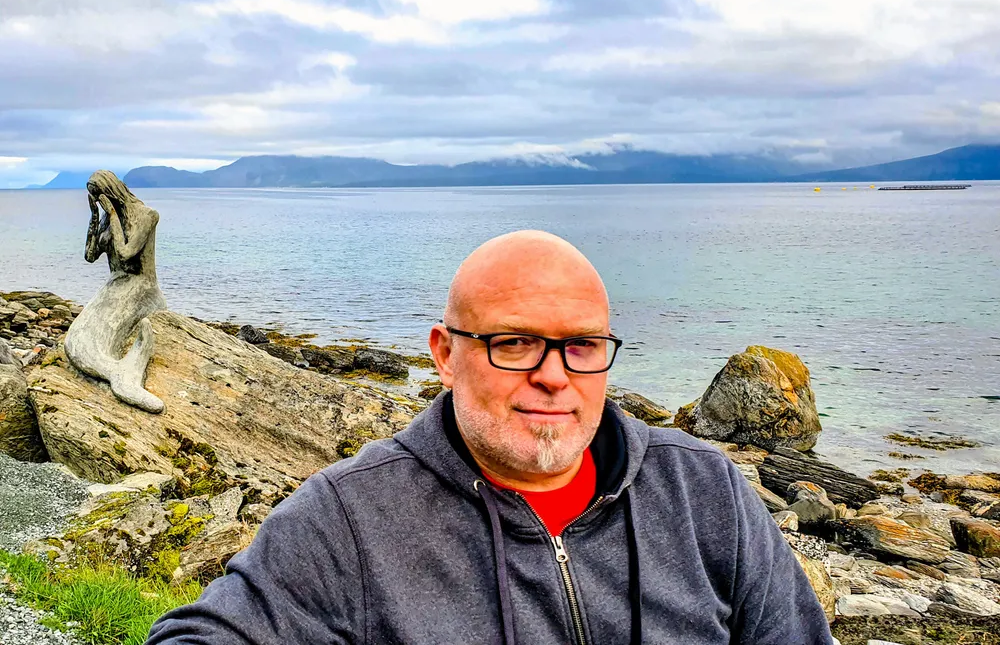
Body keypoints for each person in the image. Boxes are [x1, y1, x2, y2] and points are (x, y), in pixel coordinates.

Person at [146, 230, 834, 644]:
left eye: (581, 345)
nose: (554, 376)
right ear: (445, 355)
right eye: (514, 343)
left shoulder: (702, 489)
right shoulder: (350, 518)